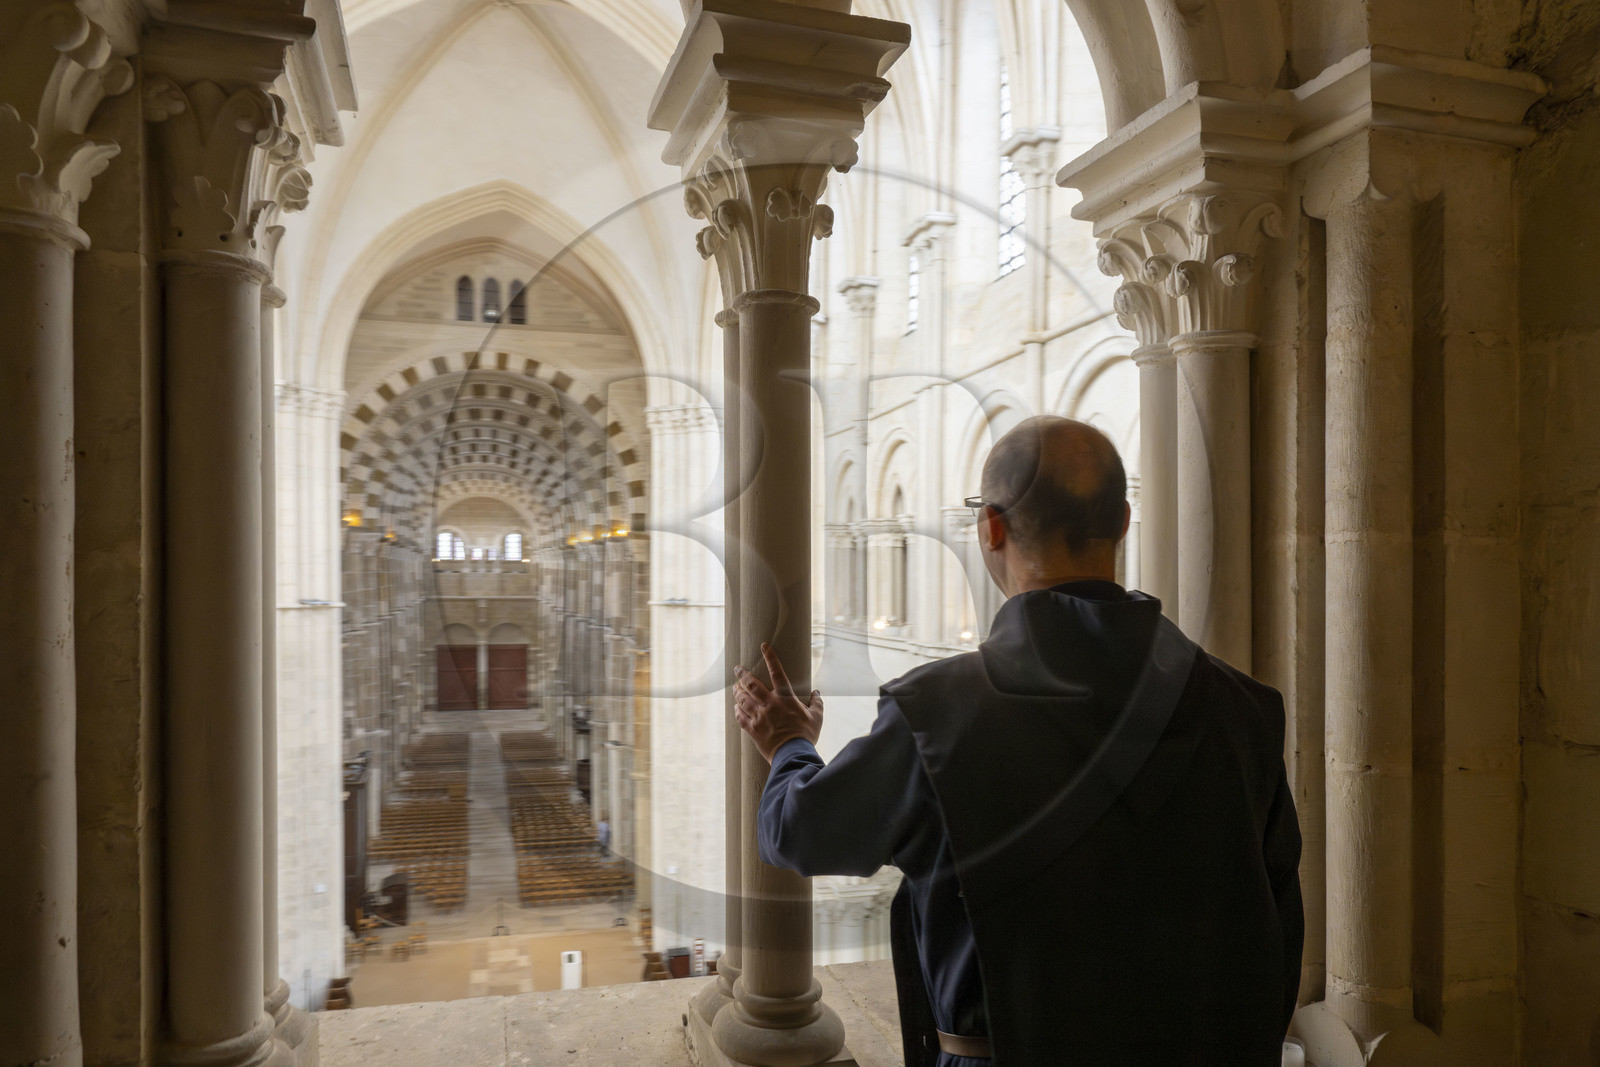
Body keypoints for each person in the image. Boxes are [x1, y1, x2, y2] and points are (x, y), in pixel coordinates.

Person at [734, 416, 1303, 1066]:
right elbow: (1280, 932)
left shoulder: (939, 711)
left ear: (991, 528)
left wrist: (789, 743)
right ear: (1122, 522)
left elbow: (799, 831)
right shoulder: (1245, 707)